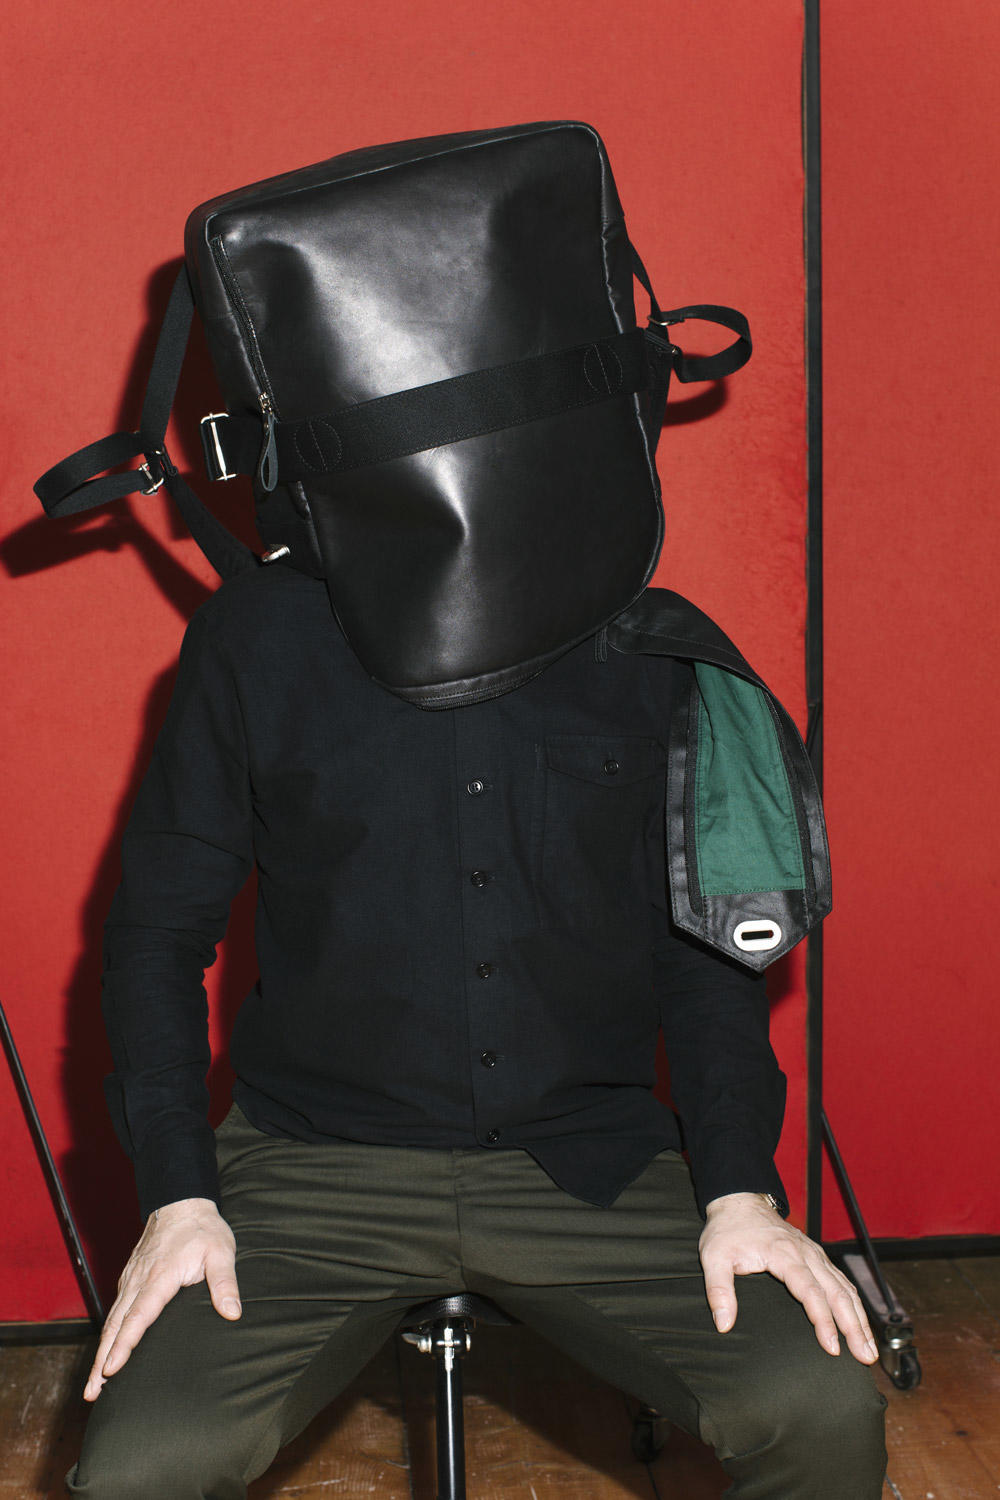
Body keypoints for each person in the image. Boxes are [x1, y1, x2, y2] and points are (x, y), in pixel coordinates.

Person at [63, 558, 889, 1499]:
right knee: (141, 1469)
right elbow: (157, 937)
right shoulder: (256, 635)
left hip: (590, 1166)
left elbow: (709, 962)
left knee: (820, 1409)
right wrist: (178, 1198)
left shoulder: (643, 644)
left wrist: (741, 1190)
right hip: (314, 1165)